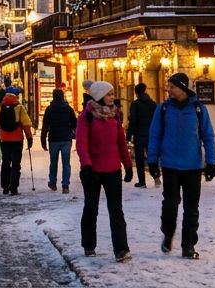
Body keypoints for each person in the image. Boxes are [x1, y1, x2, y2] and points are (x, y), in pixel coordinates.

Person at [147, 72, 215, 260]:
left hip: (193, 167)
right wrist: (152, 160)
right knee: (170, 205)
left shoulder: (198, 109)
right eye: (168, 86)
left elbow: (208, 136)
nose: (168, 89)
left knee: (191, 208)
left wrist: (211, 162)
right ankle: (168, 234)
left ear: (183, 88)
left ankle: (188, 245)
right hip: (170, 165)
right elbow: (155, 135)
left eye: (172, 86)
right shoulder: (162, 109)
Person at [75, 81, 134, 262]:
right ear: (99, 96)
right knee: (91, 208)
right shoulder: (87, 116)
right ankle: (89, 244)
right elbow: (81, 143)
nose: (112, 97)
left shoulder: (114, 115)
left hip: (113, 169)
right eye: (109, 94)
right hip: (93, 170)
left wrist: (128, 165)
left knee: (116, 210)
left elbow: (121, 143)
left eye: (113, 93)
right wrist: (86, 165)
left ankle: (121, 250)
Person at [0, 86, 34, 195]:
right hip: (17, 140)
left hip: (4, 139)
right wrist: (29, 137)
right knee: (16, 164)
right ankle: (14, 187)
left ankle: (5, 186)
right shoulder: (19, 108)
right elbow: (26, 124)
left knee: (6, 162)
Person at [41, 87, 77, 194]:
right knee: (66, 163)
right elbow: (75, 123)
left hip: (54, 139)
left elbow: (45, 126)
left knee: (53, 162)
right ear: (62, 96)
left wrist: (43, 139)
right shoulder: (68, 108)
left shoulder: (49, 109)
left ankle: (53, 182)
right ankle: (65, 185)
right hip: (66, 138)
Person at [126, 82, 157, 188]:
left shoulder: (135, 104)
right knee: (152, 156)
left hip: (139, 135)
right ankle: (156, 176)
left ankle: (142, 181)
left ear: (136, 93)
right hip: (151, 134)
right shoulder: (153, 104)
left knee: (139, 159)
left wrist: (129, 134)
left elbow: (133, 120)